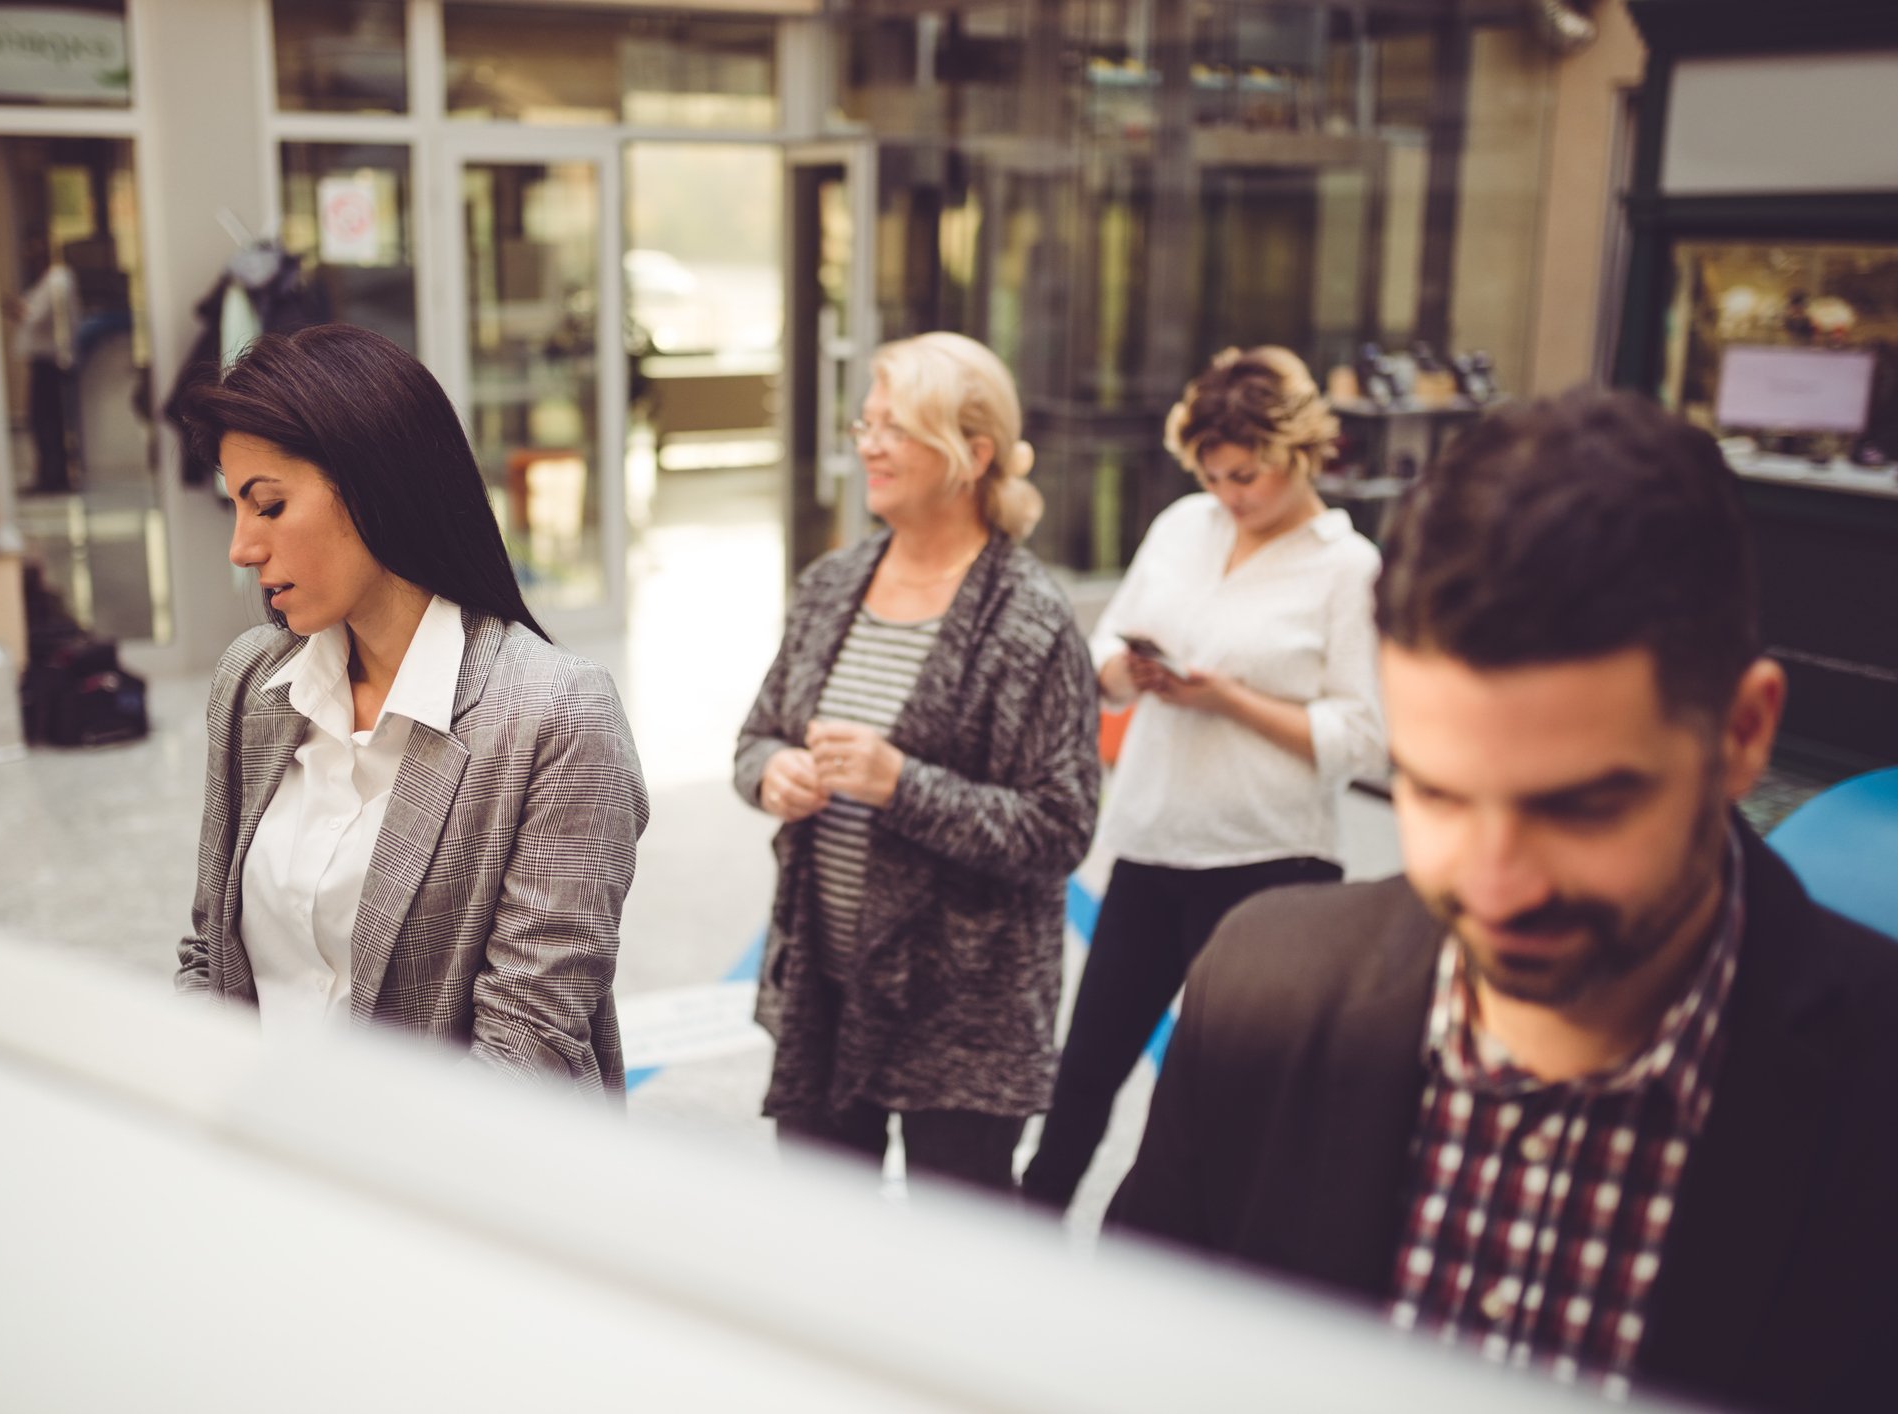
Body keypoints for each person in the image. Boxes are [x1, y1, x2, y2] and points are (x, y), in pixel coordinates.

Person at [1109, 389, 1898, 1412]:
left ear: (1743, 734)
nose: (1495, 880)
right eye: (1435, 790)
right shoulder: (1261, 991)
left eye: (1581, 806)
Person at [172, 325, 648, 1093]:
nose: (242, 548)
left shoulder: (555, 716)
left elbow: (527, 1048)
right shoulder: (253, 684)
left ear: (372, 485)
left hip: (437, 1189)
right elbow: (210, 957)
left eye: (268, 506)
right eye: (237, 509)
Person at [1020, 347, 1384, 1212]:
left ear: (1300, 453)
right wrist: (1125, 674)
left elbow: (1364, 738)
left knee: (1215, 1095)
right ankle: (1024, 1237)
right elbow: (1109, 645)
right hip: (1152, 841)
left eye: (1246, 474)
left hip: (1270, 864)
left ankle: (1181, 1262)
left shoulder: (1348, 568)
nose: (1229, 494)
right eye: (1214, 475)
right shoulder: (1184, 526)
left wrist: (1227, 698)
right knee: (1084, 1073)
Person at [736, 332, 1099, 1192]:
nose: (867, 444)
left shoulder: (1029, 621)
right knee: (824, 1245)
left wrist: (902, 785)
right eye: (866, 423)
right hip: (825, 985)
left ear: (970, 454)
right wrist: (771, 773)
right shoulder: (832, 584)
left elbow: (1060, 827)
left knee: (956, 1272)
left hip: (963, 1013)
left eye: (893, 427)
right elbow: (755, 735)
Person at [6, 236, 81, 493]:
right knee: (46, 420)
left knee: (47, 421)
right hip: (47, 360)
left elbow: (37, 316)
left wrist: (14, 309)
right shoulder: (50, 281)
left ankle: (54, 476)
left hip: (53, 361)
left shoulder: (57, 280)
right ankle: (52, 473)